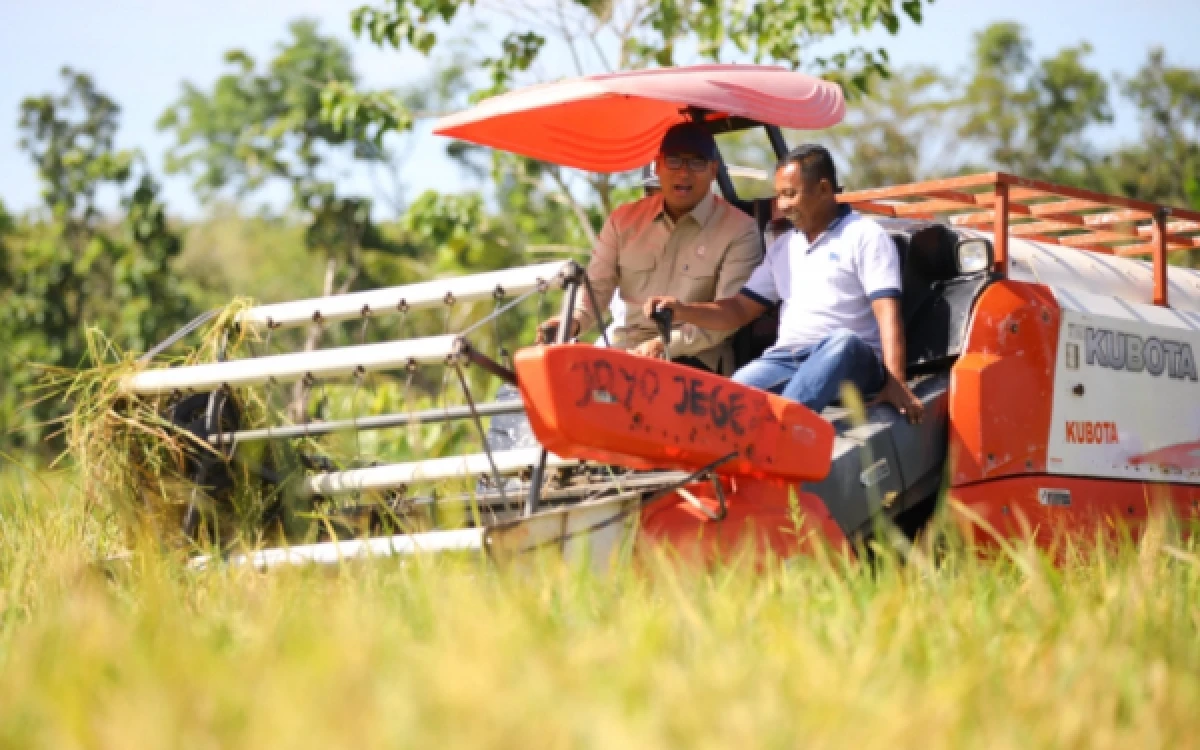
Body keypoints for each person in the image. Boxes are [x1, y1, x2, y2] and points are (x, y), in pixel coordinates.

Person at [643, 144, 924, 422]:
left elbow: (887, 312)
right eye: (779, 196)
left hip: (850, 360)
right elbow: (739, 309)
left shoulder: (864, 235)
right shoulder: (784, 246)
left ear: (824, 190)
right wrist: (683, 310)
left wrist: (896, 382)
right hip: (786, 359)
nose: (782, 205)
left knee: (842, 341)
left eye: (790, 194)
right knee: (731, 394)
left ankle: (782, 427)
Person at [538, 123, 761, 374]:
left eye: (697, 162)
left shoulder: (740, 229)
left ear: (713, 170)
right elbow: (596, 288)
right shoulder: (623, 220)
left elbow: (727, 317)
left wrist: (662, 344)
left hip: (694, 362)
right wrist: (572, 322)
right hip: (624, 351)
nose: (684, 173)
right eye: (674, 161)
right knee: (546, 381)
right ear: (657, 166)